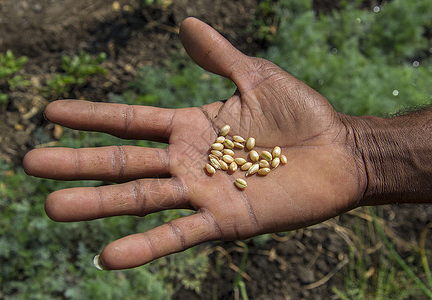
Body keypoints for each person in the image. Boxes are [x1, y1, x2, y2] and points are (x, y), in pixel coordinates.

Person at [23, 17, 431, 270]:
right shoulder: (241, 153)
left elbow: (250, 159)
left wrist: (364, 155)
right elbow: (248, 158)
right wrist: (365, 154)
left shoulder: (247, 156)